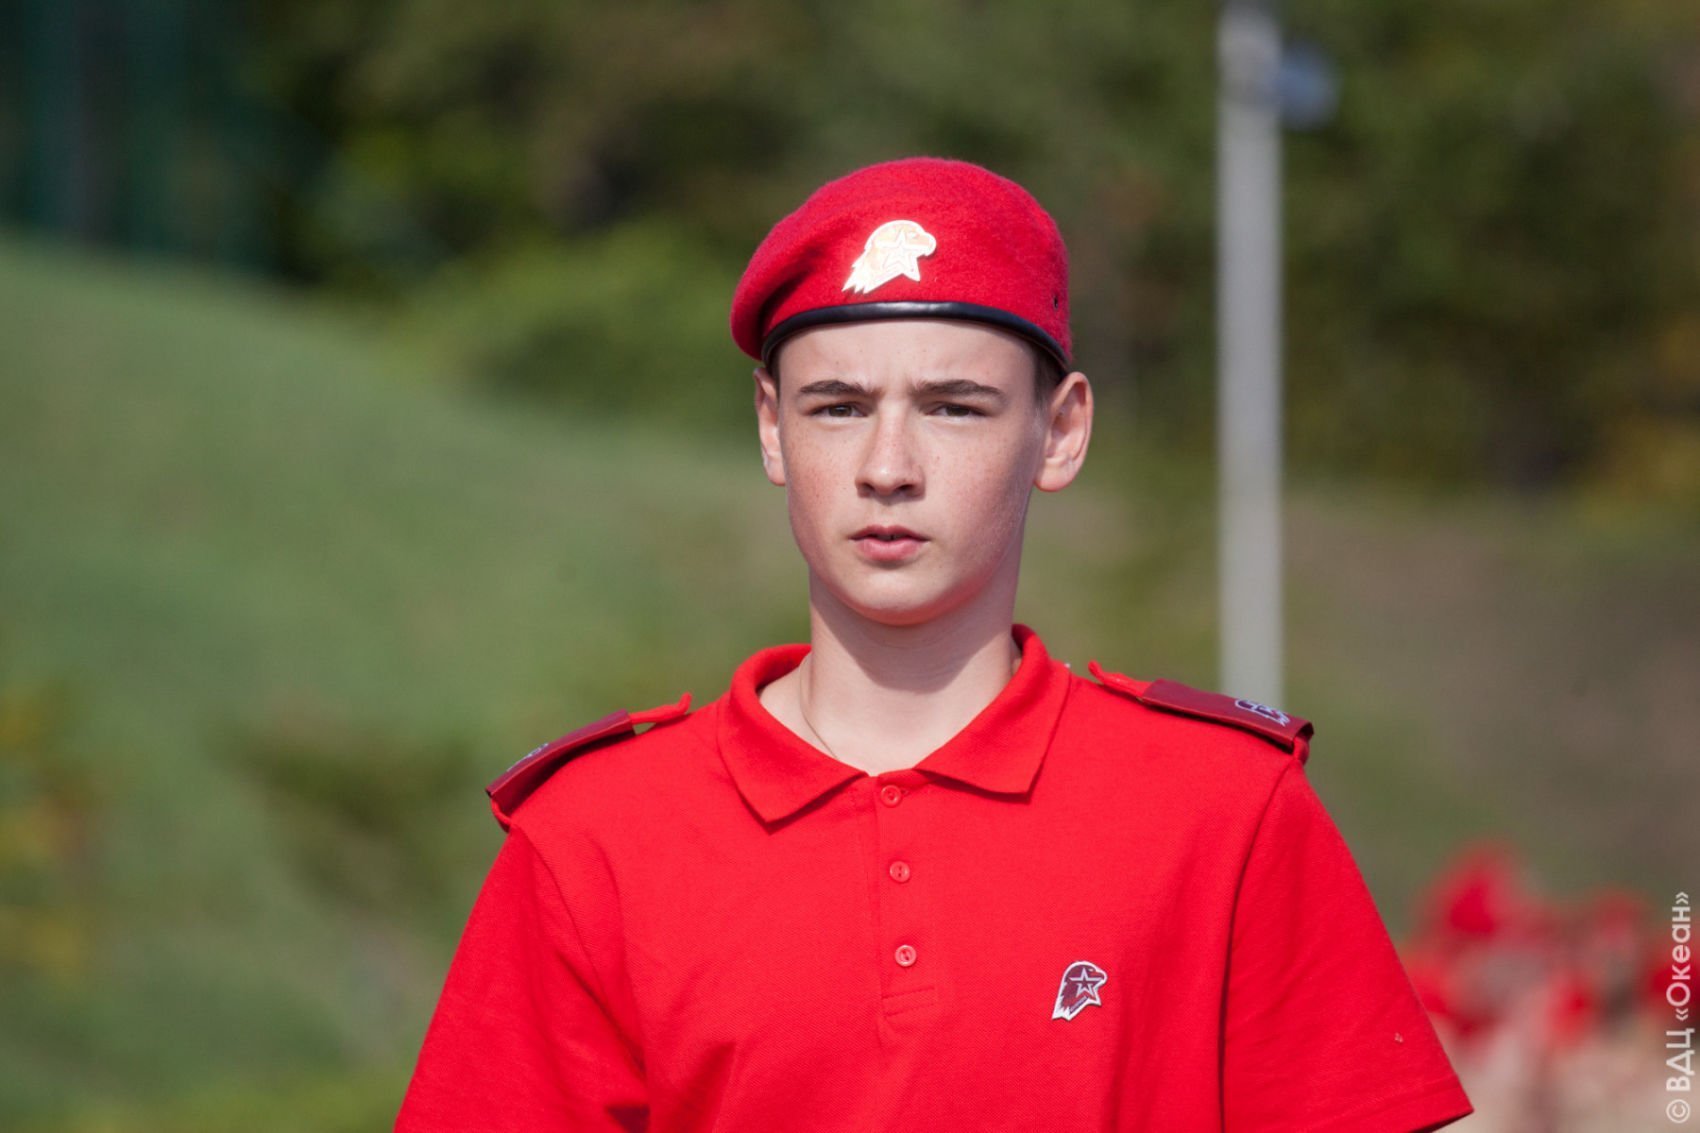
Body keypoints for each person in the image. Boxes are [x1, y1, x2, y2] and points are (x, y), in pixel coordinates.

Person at [395, 157, 1474, 1131]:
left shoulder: (1225, 809)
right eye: (837, 406)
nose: (887, 466)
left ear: (1060, 431)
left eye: (953, 407)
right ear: (770, 426)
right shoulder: (592, 837)